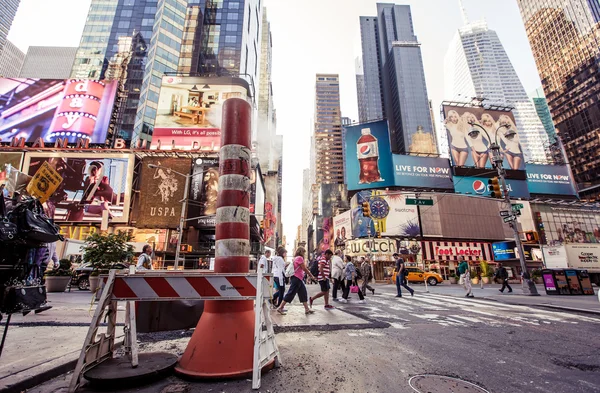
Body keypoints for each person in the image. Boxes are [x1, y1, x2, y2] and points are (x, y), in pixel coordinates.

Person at [277, 247, 317, 315]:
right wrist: (311, 276)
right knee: (291, 293)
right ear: (301, 252)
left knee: (303, 293)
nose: (304, 254)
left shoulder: (296, 258)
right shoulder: (299, 258)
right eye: (304, 252)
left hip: (298, 279)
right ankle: (280, 307)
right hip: (297, 278)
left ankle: (307, 309)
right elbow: (304, 268)